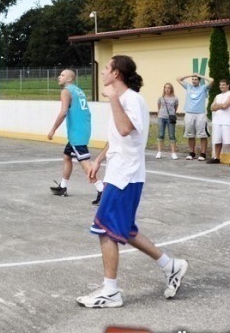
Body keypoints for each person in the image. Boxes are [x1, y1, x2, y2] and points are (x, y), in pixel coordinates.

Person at [77, 55, 188, 308]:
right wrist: (98, 160)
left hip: (126, 176)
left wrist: (114, 99)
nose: (103, 72)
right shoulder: (123, 100)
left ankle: (111, 292)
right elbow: (117, 136)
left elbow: (126, 129)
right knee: (124, 230)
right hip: (118, 173)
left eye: (106, 68)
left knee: (105, 229)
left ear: (116, 73)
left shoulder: (132, 100)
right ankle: (171, 265)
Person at [46, 69, 104, 204]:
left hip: (77, 132)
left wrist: (53, 130)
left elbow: (63, 112)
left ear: (70, 79)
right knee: (67, 156)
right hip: (82, 128)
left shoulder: (66, 91)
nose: (59, 77)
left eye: (62, 75)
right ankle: (63, 186)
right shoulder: (78, 90)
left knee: (85, 163)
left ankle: (102, 189)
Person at [176, 73, 212, 161]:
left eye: (196, 79)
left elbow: (212, 80)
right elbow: (178, 78)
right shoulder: (188, 86)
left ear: (199, 81)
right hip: (189, 113)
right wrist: (191, 75)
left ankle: (203, 154)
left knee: (202, 135)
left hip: (200, 114)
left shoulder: (203, 88)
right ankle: (192, 153)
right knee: (190, 134)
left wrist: (200, 75)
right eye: (193, 79)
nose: (194, 81)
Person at [210, 78, 230, 167]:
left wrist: (218, 106)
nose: (221, 86)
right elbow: (211, 108)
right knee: (217, 141)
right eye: (220, 85)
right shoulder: (217, 96)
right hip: (217, 121)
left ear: (228, 85)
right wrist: (220, 106)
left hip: (227, 122)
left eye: (223, 84)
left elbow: (225, 105)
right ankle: (216, 158)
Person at [155, 83, 179, 160]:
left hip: (170, 118)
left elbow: (175, 108)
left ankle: (173, 153)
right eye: (165, 88)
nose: (167, 89)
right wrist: (159, 114)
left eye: (169, 88)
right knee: (161, 134)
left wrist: (172, 114)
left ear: (171, 89)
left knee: (172, 135)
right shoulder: (161, 98)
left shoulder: (175, 98)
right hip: (161, 117)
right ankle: (159, 152)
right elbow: (159, 107)